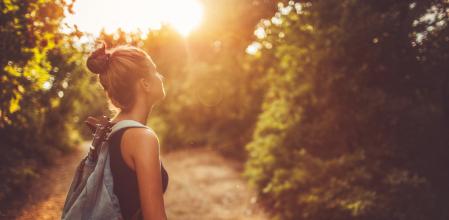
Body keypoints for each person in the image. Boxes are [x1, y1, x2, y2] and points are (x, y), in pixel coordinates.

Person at [86, 42, 169, 220]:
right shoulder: (142, 138)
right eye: (154, 70)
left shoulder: (109, 129)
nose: (160, 76)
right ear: (145, 84)